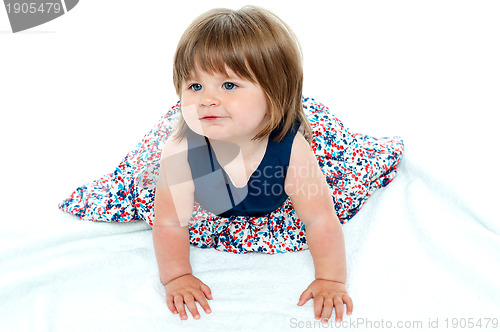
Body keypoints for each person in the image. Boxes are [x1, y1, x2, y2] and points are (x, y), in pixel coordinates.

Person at [153, 5, 357, 323]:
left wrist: (331, 279)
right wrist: (177, 276)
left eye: (229, 85)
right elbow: (169, 222)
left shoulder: (292, 151)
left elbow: (320, 219)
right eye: (195, 86)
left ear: (273, 92)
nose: (206, 99)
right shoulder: (182, 150)